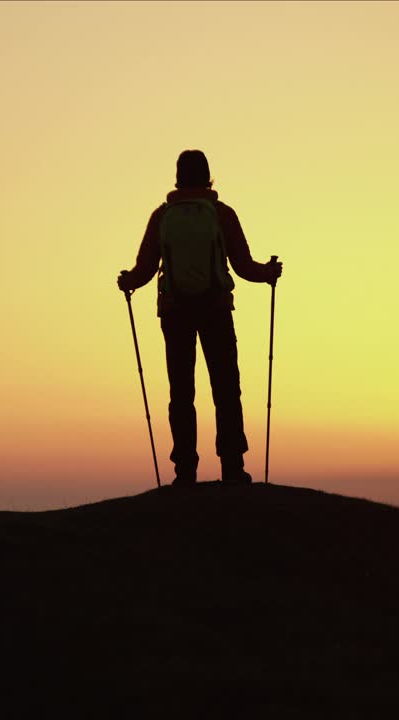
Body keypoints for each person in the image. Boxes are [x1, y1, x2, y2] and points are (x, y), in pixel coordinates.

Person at [117, 150, 282, 486]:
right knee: (226, 388)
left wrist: (128, 281)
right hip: (216, 308)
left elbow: (146, 268)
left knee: (181, 392)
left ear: (177, 177)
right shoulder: (222, 214)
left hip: (175, 312)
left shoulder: (162, 217)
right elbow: (243, 266)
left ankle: (185, 472)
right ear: (208, 177)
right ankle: (233, 467)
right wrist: (269, 273)